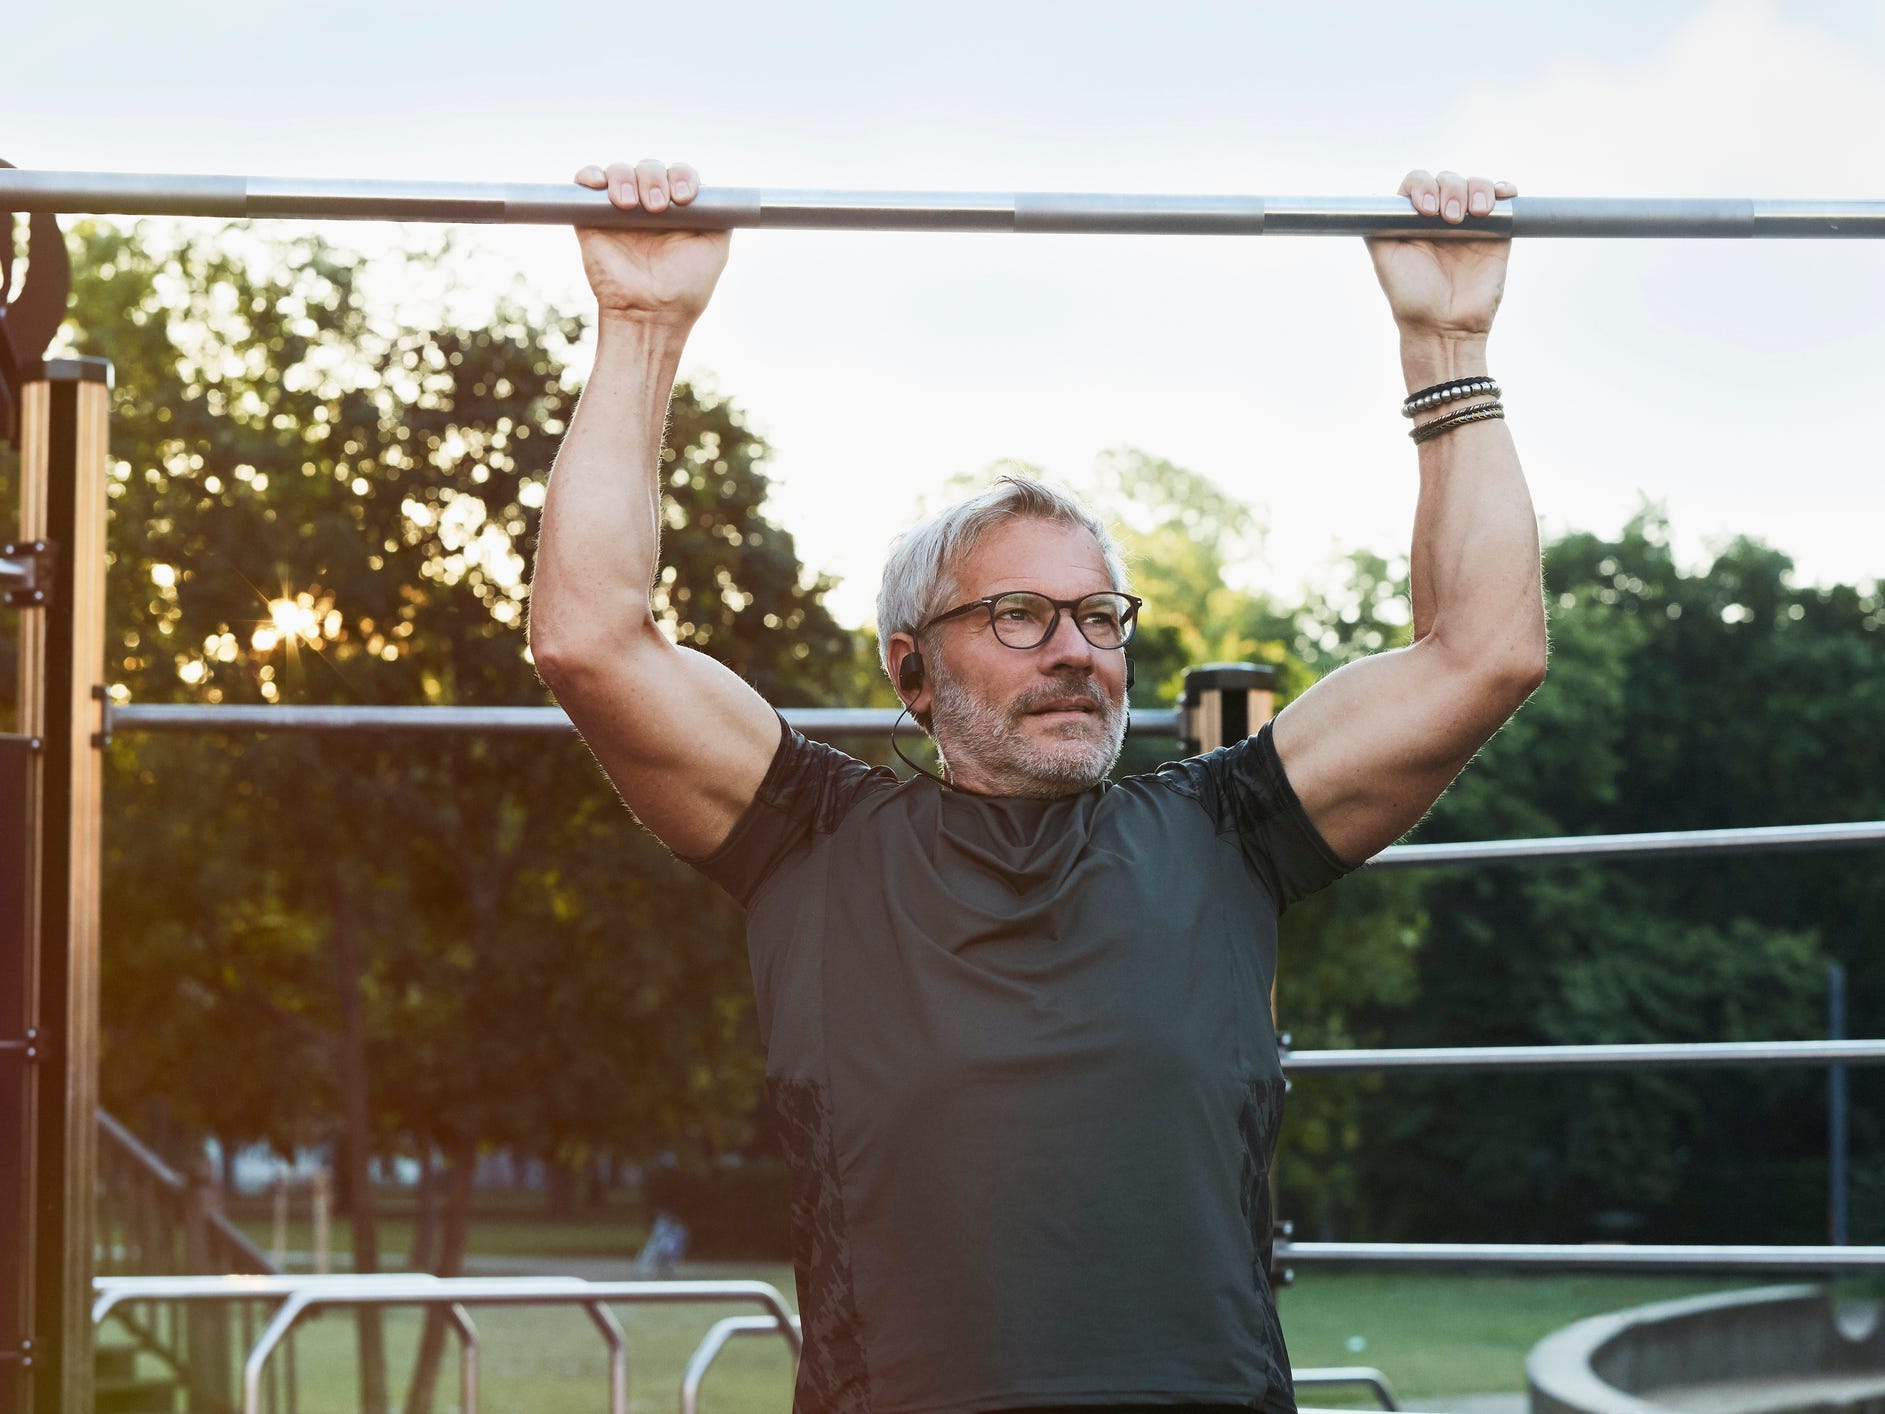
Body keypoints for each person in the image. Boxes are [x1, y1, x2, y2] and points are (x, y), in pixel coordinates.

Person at [529, 159, 1546, 1414]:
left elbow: (1485, 648)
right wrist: (641, 324)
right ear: (910, 669)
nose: (1075, 649)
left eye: (1098, 615)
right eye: (1016, 614)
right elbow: (589, 638)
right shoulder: (813, 840)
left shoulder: (1224, 829)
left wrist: (1446, 342)